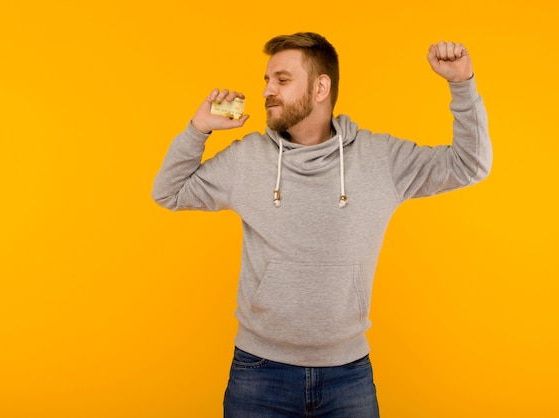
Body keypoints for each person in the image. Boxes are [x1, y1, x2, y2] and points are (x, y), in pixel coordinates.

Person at [152, 32, 492, 417]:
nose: (267, 91)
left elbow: (470, 165)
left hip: (348, 376)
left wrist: (462, 86)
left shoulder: (381, 159)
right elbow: (170, 193)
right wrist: (198, 130)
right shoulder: (247, 159)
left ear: (320, 87)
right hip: (259, 373)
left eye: (282, 80)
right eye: (267, 80)